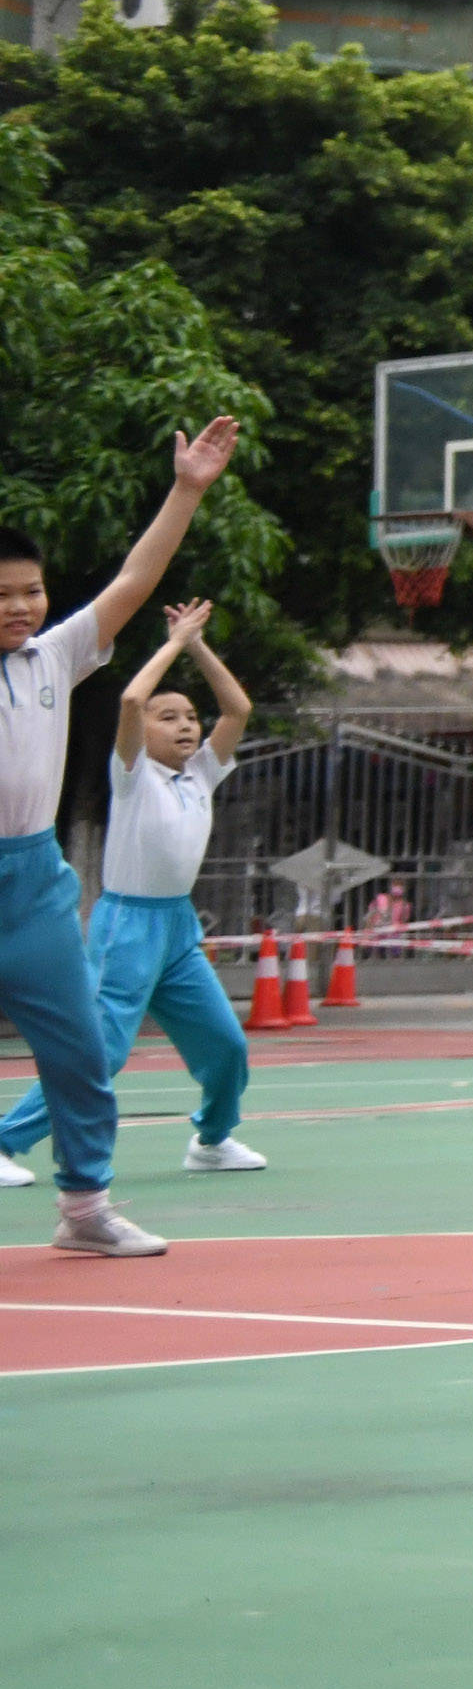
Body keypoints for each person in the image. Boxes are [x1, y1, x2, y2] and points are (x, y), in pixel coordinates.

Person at [0, 420, 241, 1239]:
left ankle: (85, 1209)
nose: (21, 607)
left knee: (79, 1053)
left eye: (29, 590)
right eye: (2, 595)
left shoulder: (55, 655)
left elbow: (137, 580)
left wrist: (187, 489)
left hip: (34, 885)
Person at [11, 599, 263, 1182]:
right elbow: (128, 698)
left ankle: (212, 1139)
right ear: (142, 730)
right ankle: (5, 1140)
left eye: (190, 716)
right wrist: (173, 643)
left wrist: (198, 646)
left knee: (226, 1044)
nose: (185, 725)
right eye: (168, 716)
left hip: (177, 929)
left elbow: (239, 707)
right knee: (102, 1053)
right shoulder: (130, 775)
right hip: (126, 926)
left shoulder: (200, 774)